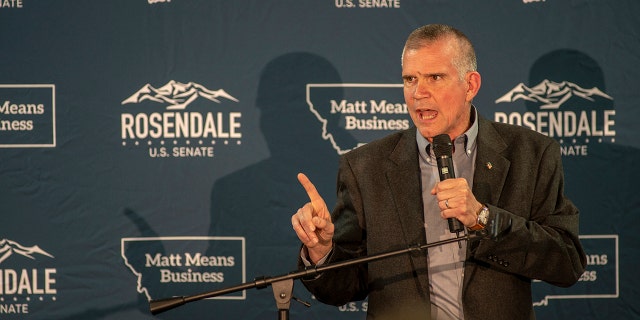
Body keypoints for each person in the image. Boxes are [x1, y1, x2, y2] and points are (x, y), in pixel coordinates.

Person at [291, 24, 586, 320]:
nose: (419, 93)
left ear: (470, 85)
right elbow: (344, 287)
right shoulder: (365, 166)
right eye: (410, 79)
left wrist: (484, 218)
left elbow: (566, 262)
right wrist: (323, 251)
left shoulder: (531, 154)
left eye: (435, 77)